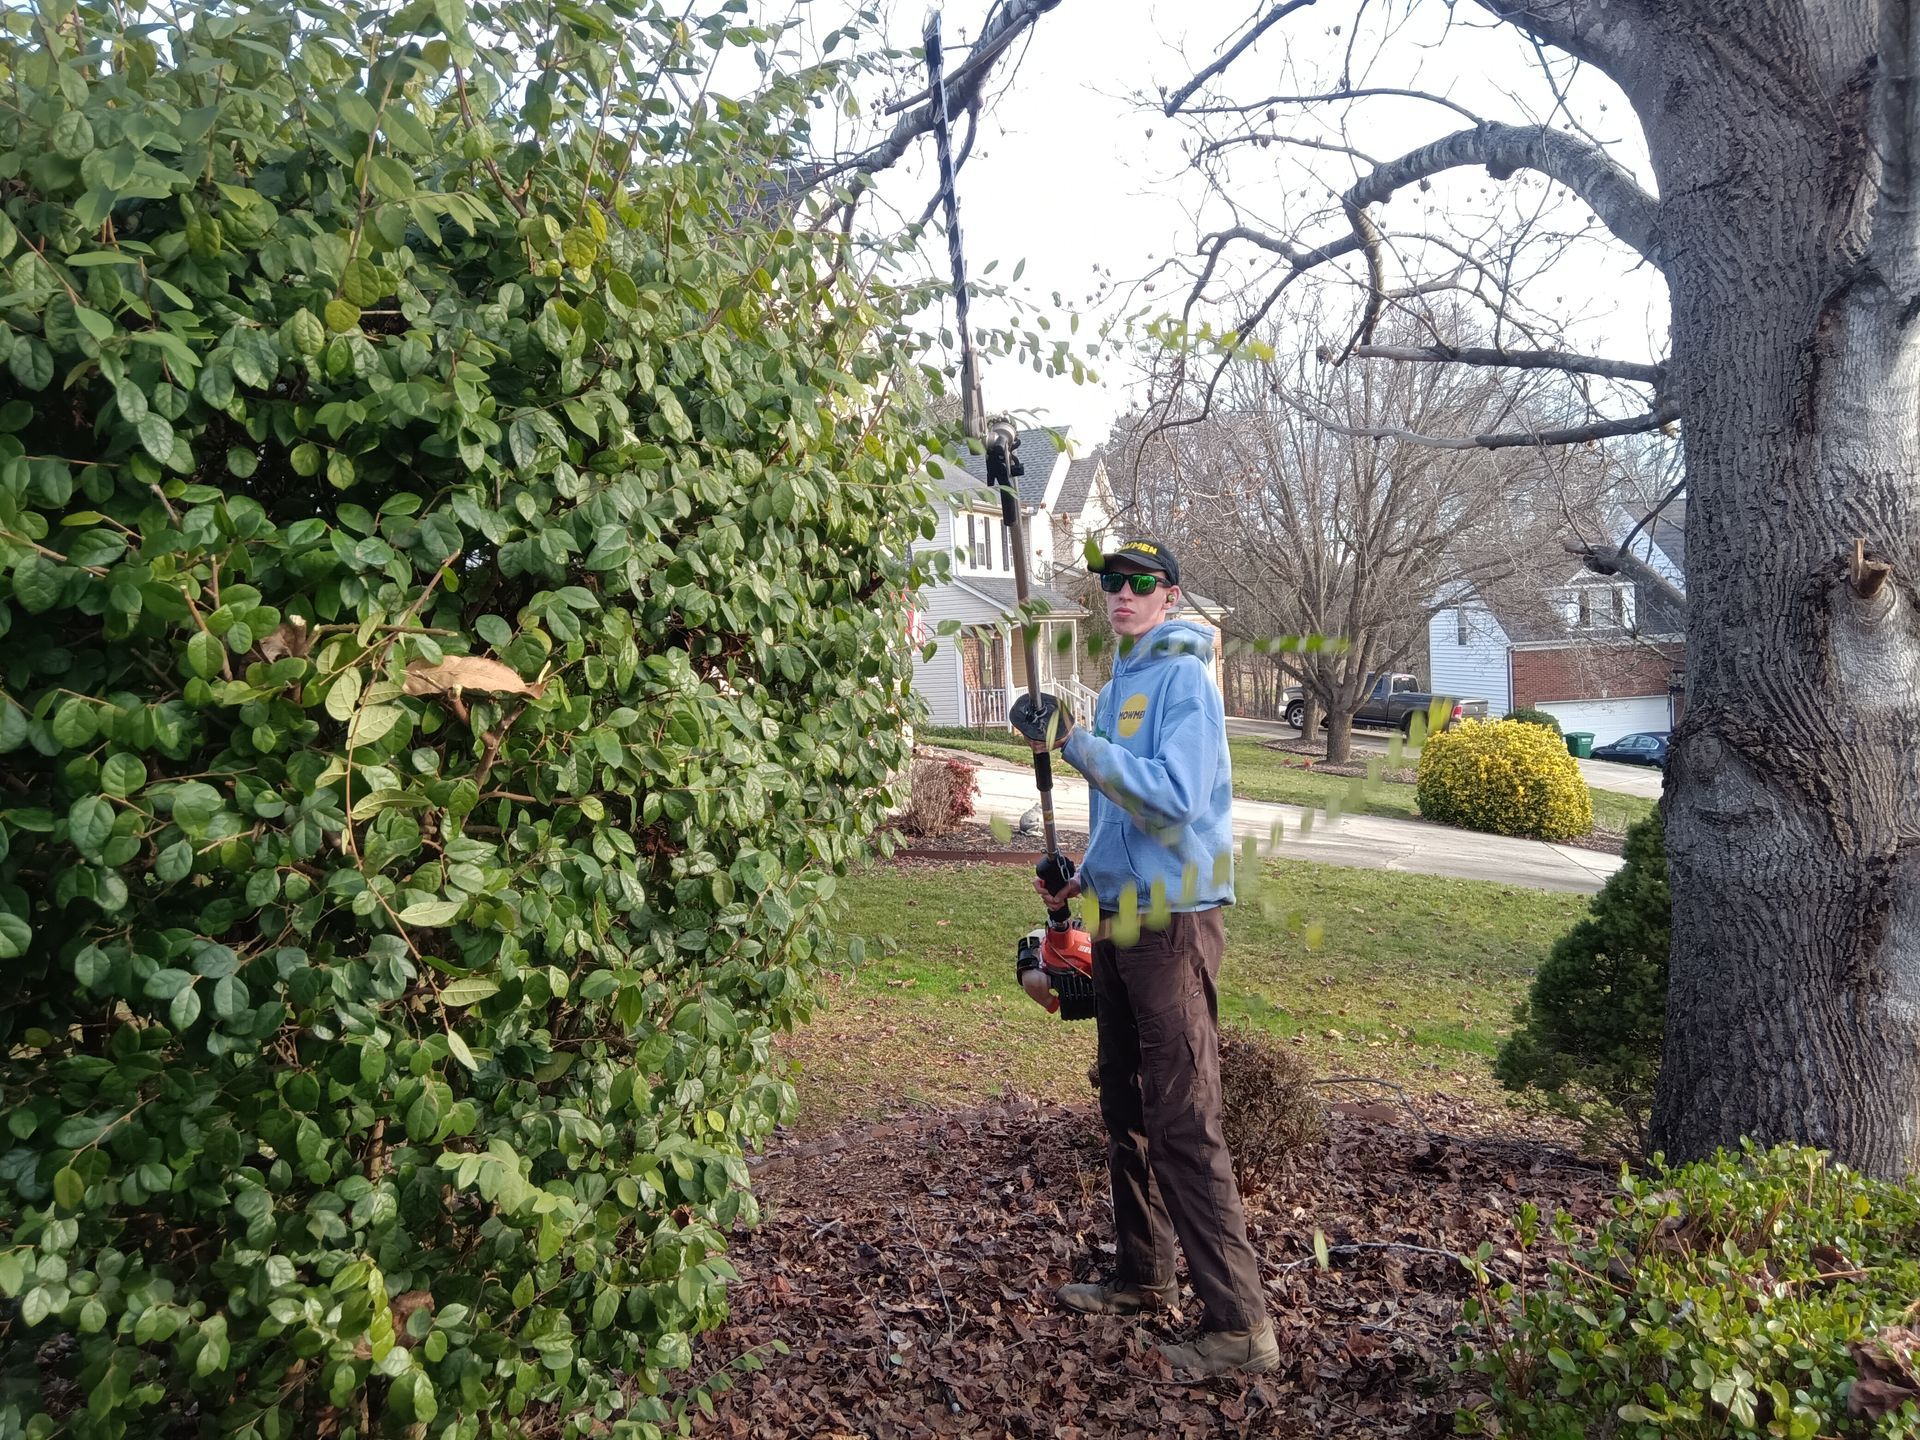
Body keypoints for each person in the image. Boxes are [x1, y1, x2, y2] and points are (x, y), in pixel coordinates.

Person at [1018, 537, 1277, 1377]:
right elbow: (1124, 826)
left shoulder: (1184, 683)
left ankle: (1241, 1327)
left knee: (1182, 1119)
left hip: (1173, 924)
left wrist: (1077, 746)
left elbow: (1171, 800)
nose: (1121, 595)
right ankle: (1143, 1275)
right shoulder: (1124, 683)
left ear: (1169, 595)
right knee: (1124, 1105)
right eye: (1110, 584)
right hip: (1123, 917)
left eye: (1139, 584)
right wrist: (1075, 880)